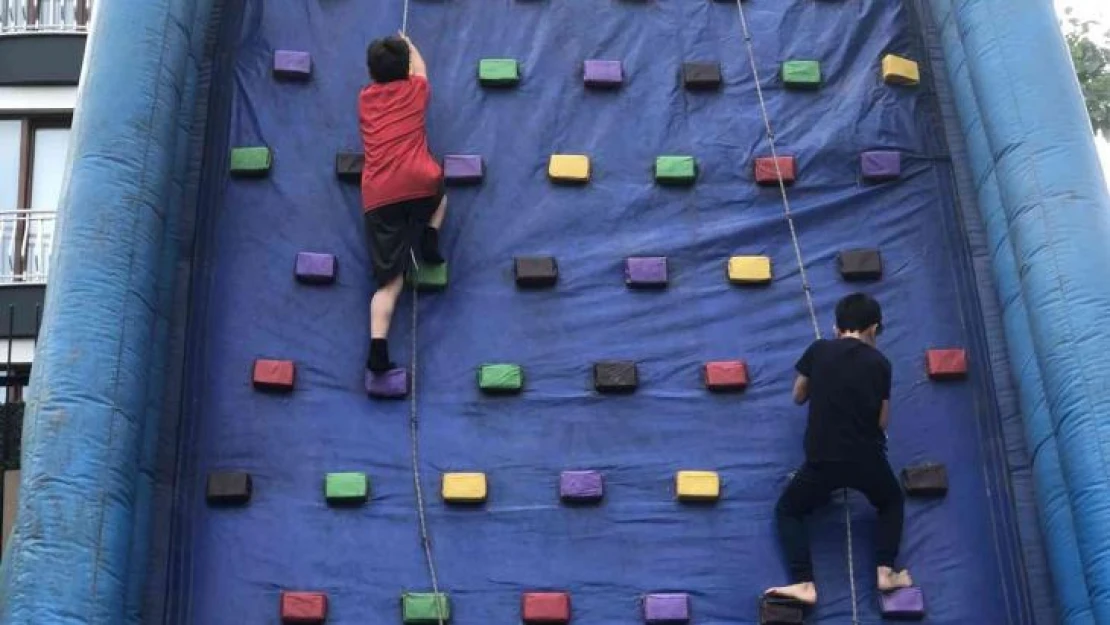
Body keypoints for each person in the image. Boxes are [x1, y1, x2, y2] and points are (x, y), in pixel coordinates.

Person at [765, 293, 912, 606]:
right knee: (891, 502)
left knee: (789, 511)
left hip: (823, 460)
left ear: (836, 328)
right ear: (873, 329)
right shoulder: (880, 362)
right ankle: (886, 569)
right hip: (866, 459)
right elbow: (882, 422)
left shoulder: (819, 349)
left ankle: (804, 582)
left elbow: (798, 395)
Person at [360, 32, 446, 373]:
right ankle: (430, 234)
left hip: (380, 195)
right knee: (441, 195)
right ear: (406, 67)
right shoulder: (417, 89)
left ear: (371, 73)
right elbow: (421, 69)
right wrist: (409, 43)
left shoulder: (364, 99)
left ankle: (378, 348)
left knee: (389, 283)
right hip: (420, 182)